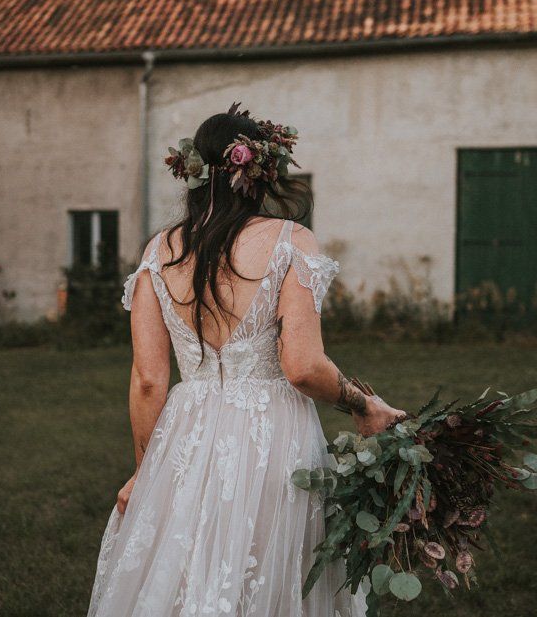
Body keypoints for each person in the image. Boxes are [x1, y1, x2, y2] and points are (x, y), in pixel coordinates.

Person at [88, 105, 406, 615]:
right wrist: (362, 403)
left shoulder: (159, 250)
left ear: (194, 171)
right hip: (272, 433)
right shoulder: (289, 241)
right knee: (273, 569)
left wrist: (145, 474)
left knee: (188, 573)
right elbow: (302, 366)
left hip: (185, 436)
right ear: (260, 170)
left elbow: (149, 379)